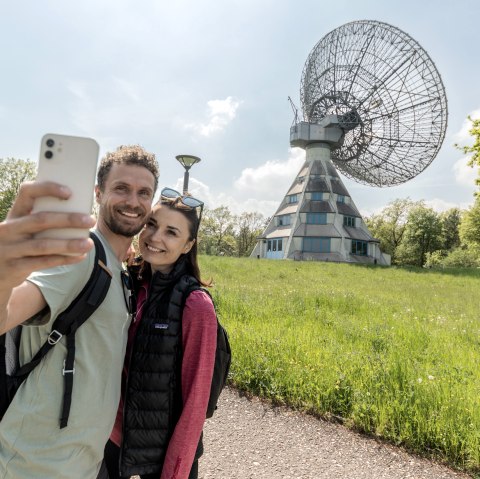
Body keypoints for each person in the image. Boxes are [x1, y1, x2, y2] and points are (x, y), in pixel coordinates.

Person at [0, 145, 159, 479]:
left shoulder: (120, 271)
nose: (133, 201)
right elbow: (8, 313)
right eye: (121, 189)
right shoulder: (78, 254)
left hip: (82, 462)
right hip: (36, 463)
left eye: (144, 192)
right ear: (98, 193)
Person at [104, 188, 217, 479]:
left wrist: (175, 471)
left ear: (187, 245)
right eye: (152, 225)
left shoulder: (196, 305)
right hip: (113, 436)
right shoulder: (129, 283)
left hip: (163, 451)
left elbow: (195, 403)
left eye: (171, 232)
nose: (155, 238)